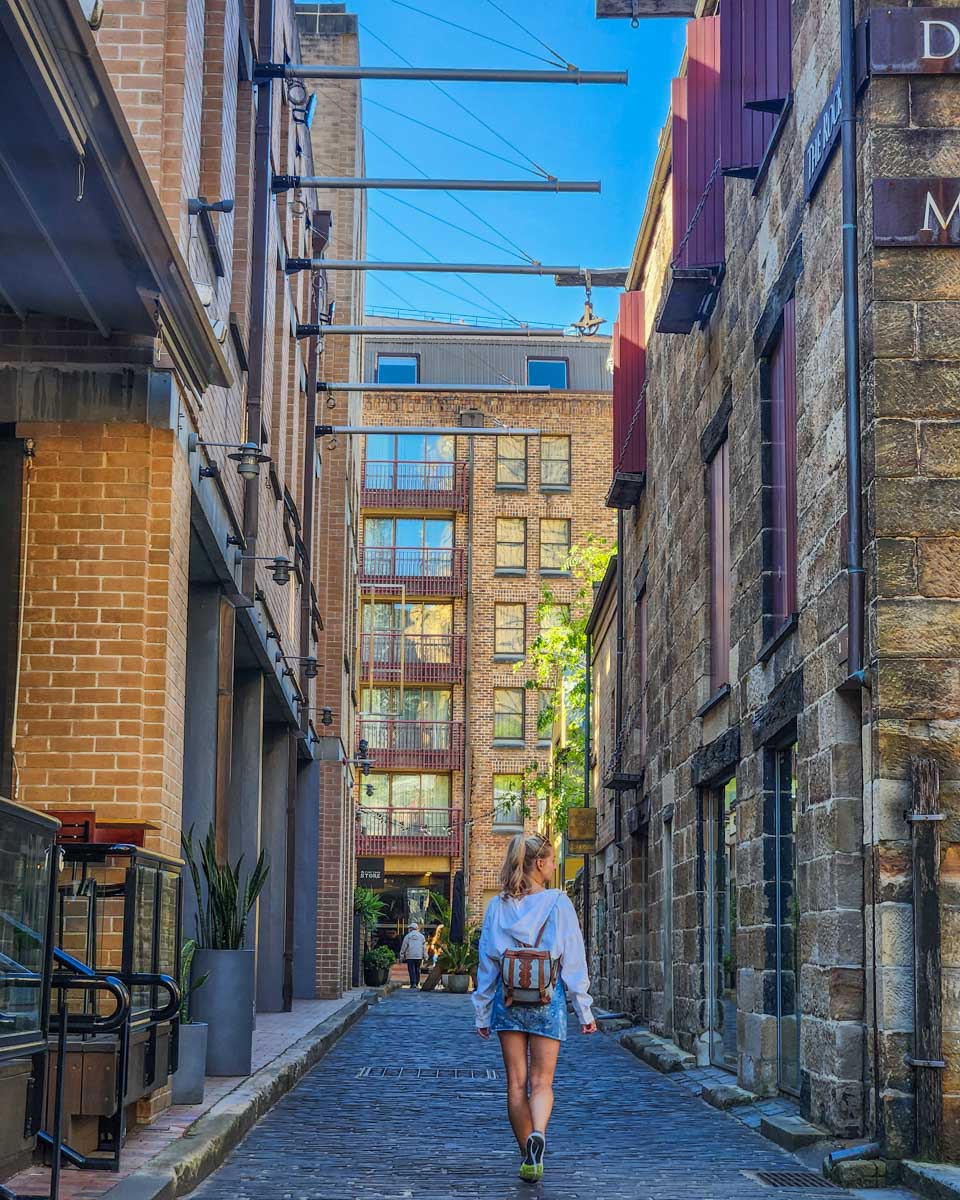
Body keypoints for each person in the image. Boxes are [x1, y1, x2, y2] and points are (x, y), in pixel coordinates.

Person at [473, 833, 596, 1182]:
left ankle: (528, 1152)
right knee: (542, 1082)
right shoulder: (559, 903)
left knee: (515, 1083)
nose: (555, 866)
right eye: (553, 860)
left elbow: (487, 965)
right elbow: (574, 959)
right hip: (548, 998)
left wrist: (481, 1012)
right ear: (539, 864)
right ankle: (539, 1132)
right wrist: (584, 1010)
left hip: (508, 999)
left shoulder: (497, 906)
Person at [398, 922, 426, 988]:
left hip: (410, 955)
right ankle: (417, 982)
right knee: (418, 969)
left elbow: (404, 946)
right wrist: (425, 956)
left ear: (411, 929)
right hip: (419, 956)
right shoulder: (422, 937)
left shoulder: (407, 936)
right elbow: (424, 947)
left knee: (411, 969)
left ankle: (413, 983)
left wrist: (401, 955)